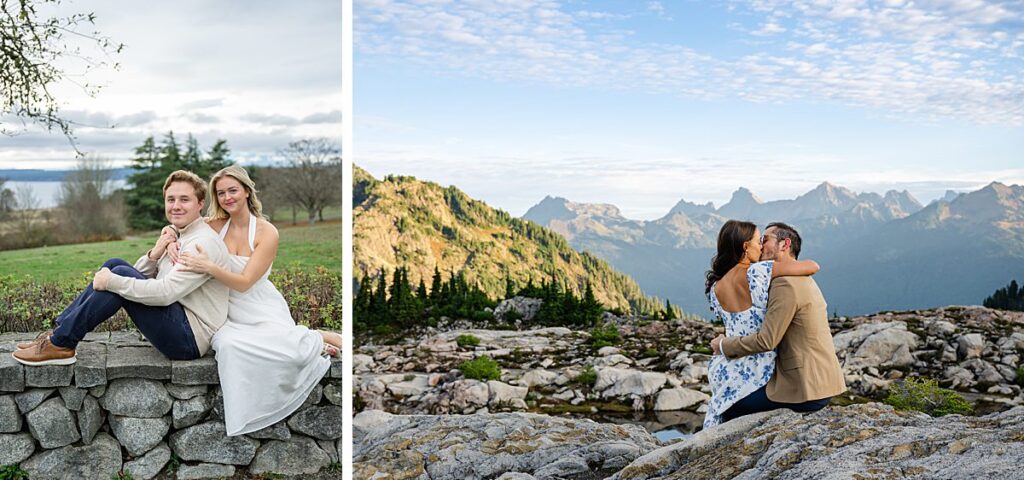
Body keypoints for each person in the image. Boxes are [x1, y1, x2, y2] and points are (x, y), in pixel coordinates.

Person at [170, 165, 341, 436]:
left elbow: (246, 282)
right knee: (229, 346)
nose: (227, 197)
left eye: (233, 190)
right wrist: (170, 241)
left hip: (258, 304)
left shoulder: (266, 232)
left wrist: (208, 267)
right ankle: (244, 419)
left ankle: (315, 338)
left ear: (247, 191)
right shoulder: (212, 226)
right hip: (224, 308)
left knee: (292, 352)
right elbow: (178, 226)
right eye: (221, 192)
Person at [13, 170, 229, 365]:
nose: (175, 206)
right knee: (114, 264)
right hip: (178, 320)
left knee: (117, 276)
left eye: (184, 200)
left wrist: (111, 281)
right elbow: (139, 274)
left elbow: (165, 294)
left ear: (200, 203)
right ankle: (58, 334)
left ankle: (61, 344)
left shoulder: (201, 243)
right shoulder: (179, 233)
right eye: (170, 199)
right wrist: (155, 253)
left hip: (189, 338)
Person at [709, 221, 846, 424]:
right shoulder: (785, 277)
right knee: (728, 403)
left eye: (765, 240)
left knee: (727, 408)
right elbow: (813, 265)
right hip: (806, 379)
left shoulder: (784, 283)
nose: (762, 246)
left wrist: (722, 344)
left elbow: (766, 341)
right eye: (760, 240)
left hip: (806, 387)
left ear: (784, 244)